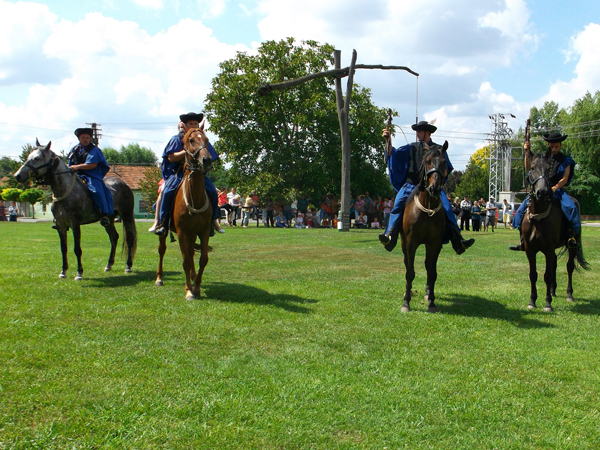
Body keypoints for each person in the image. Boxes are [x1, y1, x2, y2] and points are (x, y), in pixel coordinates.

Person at [378, 121, 474, 254]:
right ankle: (390, 235)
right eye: (416, 132)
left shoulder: (439, 149)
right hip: (411, 185)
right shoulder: (411, 147)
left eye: (420, 131)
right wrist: (388, 140)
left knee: (446, 207)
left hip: (431, 186)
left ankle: (458, 240)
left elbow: (447, 170)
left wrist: (440, 173)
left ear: (427, 133)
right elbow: (392, 154)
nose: (417, 134)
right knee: (398, 204)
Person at [154, 112, 223, 236]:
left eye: (195, 124)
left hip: (198, 173)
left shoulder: (201, 139)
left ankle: (212, 221)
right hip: (178, 173)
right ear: (185, 126)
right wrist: (186, 152)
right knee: (167, 191)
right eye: (190, 124)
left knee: (212, 191)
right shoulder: (176, 139)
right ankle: (163, 223)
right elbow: (171, 157)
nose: (193, 126)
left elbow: (210, 156)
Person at [510, 132, 580, 250]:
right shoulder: (541, 159)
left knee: (571, 208)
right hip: (540, 189)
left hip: (557, 190)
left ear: (560, 146)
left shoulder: (566, 160)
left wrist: (554, 188)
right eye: (552, 146)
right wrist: (527, 152)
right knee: (522, 209)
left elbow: (565, 178)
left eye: (556, 147)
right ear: (548, 144)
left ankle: (570, 237)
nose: (554, 149)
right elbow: (528, 167)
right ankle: (523, 240)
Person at [67, 127, 113, 226]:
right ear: (79, 138)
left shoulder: (94, 150)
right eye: (83, 137)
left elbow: (92, 165)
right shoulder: (74, 149)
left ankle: (103, 213)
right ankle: (61, 216)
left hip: (91, 176)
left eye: (88, 137)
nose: (86, 139)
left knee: (95, 190)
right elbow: (69, 163)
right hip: (76, 175)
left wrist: (76, 167)